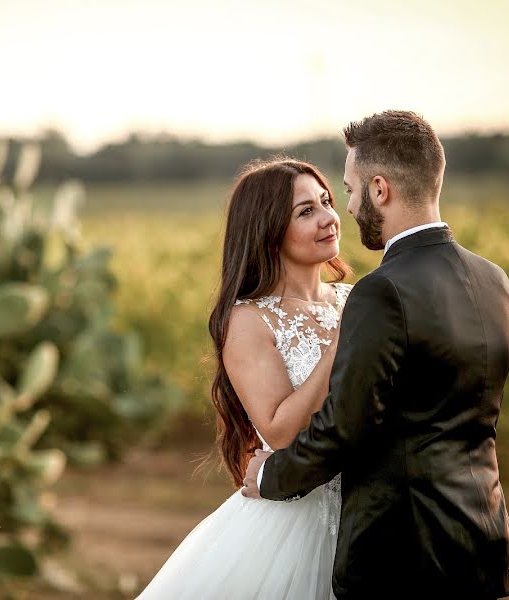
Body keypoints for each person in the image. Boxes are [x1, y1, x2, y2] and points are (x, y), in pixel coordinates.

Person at [242, 110, 509, 599]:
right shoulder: (493, 280)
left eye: (346, 191)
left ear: (379, 189)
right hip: (482, 544)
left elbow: (346, 426)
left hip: (402, 554)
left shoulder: (380, 292)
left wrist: (269, 475)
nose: (345, 209)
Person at [136, 156, 352, 599]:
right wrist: (338, 348)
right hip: (295, 520)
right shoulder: (248, 320)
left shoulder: (355, 299)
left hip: (368, 511)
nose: (329, 218)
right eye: (305, 211)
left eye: (326, 201)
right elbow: (279, 429)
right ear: (269, 230)